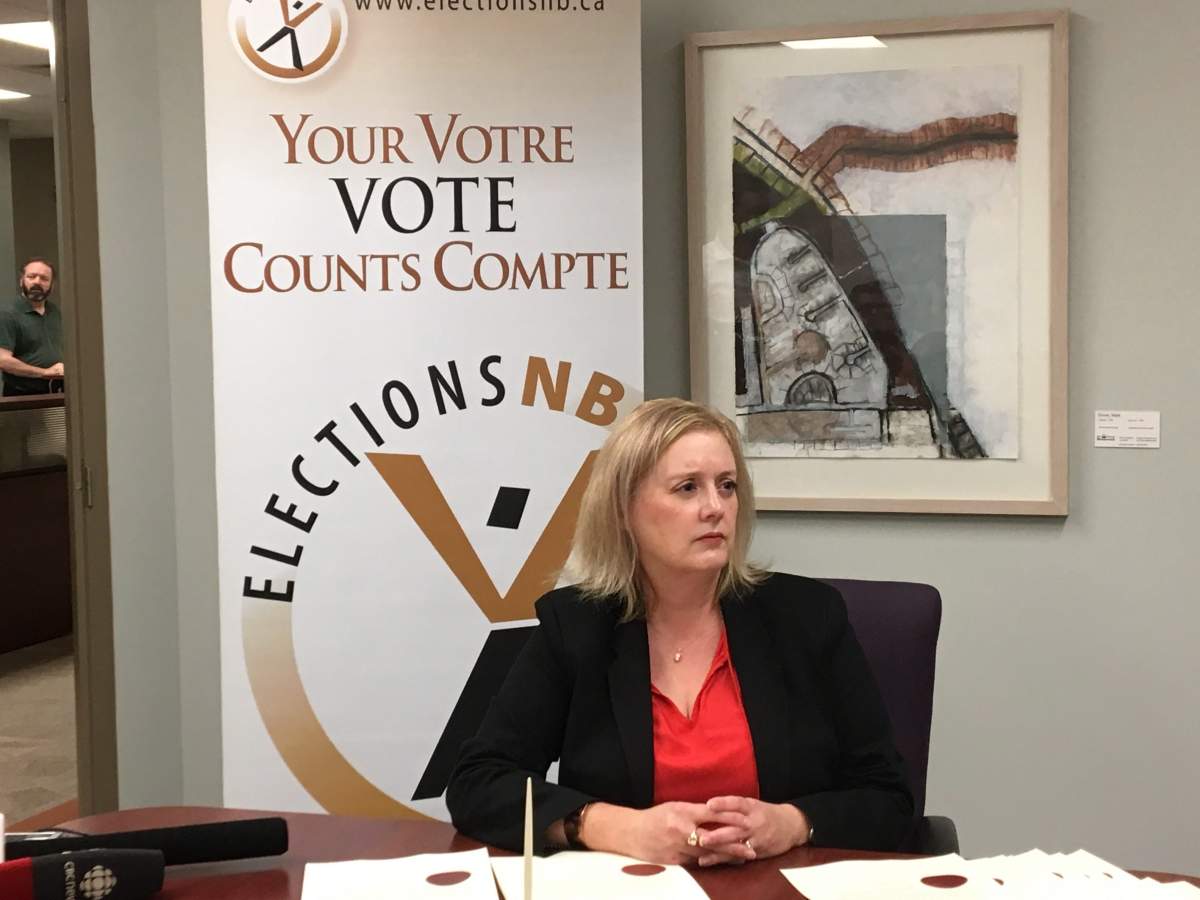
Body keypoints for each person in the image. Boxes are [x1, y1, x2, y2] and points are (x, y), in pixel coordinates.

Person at [446, 398, 913, 864]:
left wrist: (792, 823)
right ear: (624, 509)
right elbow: (478, 782)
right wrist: (612, 826)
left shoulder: (808, 617)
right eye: (687, 488)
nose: (715, 507)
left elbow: (889, 795)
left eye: (727, 486)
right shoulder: (578, 627)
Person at [0, 258, 64, 396]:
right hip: (22, 395)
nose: (37, 281)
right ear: (21, 281)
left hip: (56, 391)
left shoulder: (55, 312)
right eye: (31, 276)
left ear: (52, 285)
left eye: (44, 278)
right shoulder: (7, 313)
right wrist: (45, 373)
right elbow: (3, 360)